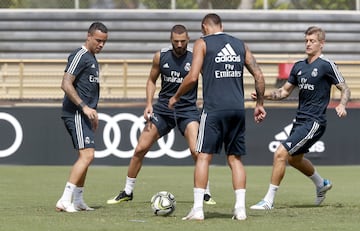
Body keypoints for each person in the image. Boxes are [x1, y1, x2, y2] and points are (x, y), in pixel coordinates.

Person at [168, 13, 266, 220]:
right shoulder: (240, 44)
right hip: (238, 109)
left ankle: (198, 209)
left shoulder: (202, 43)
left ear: (204, 27)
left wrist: (176, 96)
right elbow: (259, 74)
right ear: (222, 25)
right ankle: (240, 209)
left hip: (214, 109)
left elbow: (193, 77)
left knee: (203, 156)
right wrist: (259, 104)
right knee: (235, 159)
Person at [106, 24, 216, 206]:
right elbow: (151, 80)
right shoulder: (160, 56)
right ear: (170, 40)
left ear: (188, 40)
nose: (179, 45)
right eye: (176, 41)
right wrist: (149, 103)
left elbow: (209, 81)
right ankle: (127, 191)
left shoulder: (195, 57)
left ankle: (205, 193)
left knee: (196, 151)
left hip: (187, 110)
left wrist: (209, 103)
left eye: (183, 41)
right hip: (163, 110)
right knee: (140, 148)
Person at [250, 26, 351, 210]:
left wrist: (342, 104)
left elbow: (345, 88)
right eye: (306, 40)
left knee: (280, 153)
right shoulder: (299, 66)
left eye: (312, 41)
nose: (308, 44)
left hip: (315, 122)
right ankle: (322, 184)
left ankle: (268, 201)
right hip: (300, 121)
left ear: (322, 43)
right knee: (295, 159)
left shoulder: (327, 65)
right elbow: (284, 92)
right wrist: (263, 96)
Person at [55, 22, 108, 212]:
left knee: (85, 156)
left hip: (85, 114)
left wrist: (92, 113)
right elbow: (65, 83)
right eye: (98, 40)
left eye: (104, 42)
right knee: (88, 155)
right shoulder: (80, 55)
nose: (101, 45)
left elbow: (89, 89)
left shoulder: (93, 59)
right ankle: (65, 199)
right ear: (89, 36)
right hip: (75, 112)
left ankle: (78, 200)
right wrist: (84, 107)